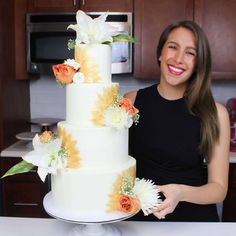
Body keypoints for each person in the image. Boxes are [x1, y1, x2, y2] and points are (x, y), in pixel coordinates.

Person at [125, 21, 230, 222]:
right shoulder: (131, 101)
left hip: (192, 221)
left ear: (199, 63)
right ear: (160, 53)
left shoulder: (215, 114)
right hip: (138, 218)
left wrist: (180, 193)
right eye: (173, 47)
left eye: (191, 53)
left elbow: (218, 188)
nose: (179, 59)